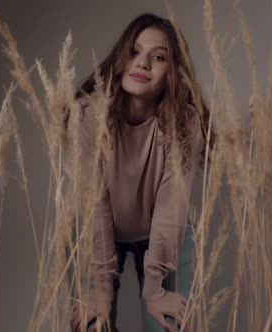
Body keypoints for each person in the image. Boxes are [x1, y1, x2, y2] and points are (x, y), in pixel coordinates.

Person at [69, 12, 213, 332]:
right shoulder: (86, 114)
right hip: (96, 236)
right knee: (92, 327)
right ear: (121, 57)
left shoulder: (185, 121)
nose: (142, 63)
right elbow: (94, 204)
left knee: (169, 326)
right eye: (134, 51)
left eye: (158, 57)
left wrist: (155, 290)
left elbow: (171, 207)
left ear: (172, 72)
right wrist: (101, 290)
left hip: (163, 236)